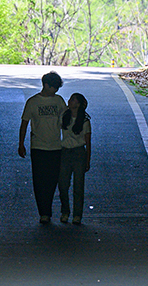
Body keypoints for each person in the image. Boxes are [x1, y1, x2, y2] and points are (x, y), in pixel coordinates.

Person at [18, 71, 65, 223]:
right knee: (39, 180)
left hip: (56, 146)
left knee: (52, 180)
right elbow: (24, 123)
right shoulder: (33, 102)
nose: (56, 90)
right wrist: (21, 144)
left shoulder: (59, 101)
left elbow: (66, 121)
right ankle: (44, 212)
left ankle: (47, 207)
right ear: (46, 85)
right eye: (54, 87)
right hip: (38, 146)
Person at [57, 92, 91, 225]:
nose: (69, 102)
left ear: (78, 104)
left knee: (78, 186)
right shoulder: (64, 116)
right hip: (65, 151)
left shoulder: (84, 121)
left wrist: (87, 160)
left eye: (72, 100)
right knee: (63, 184)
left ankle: (77, 214)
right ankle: (65, 211)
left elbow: (88, 142)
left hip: (78, 153)